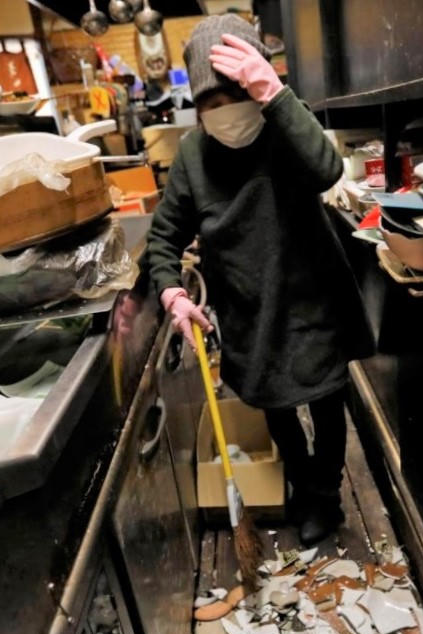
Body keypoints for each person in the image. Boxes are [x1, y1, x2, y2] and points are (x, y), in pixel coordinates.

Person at [145, 14, 374, 545]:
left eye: (237, 97)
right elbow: (163, 238)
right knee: (274, 405)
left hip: (312, 299)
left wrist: (274, 94)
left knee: (326, 399)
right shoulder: (193, 156)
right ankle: (299, 483)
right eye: (211, 105)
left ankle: (326, 496)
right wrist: (172, 293)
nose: (225, 114)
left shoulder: (283, 128)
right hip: (249, 309)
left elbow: (327, 169)